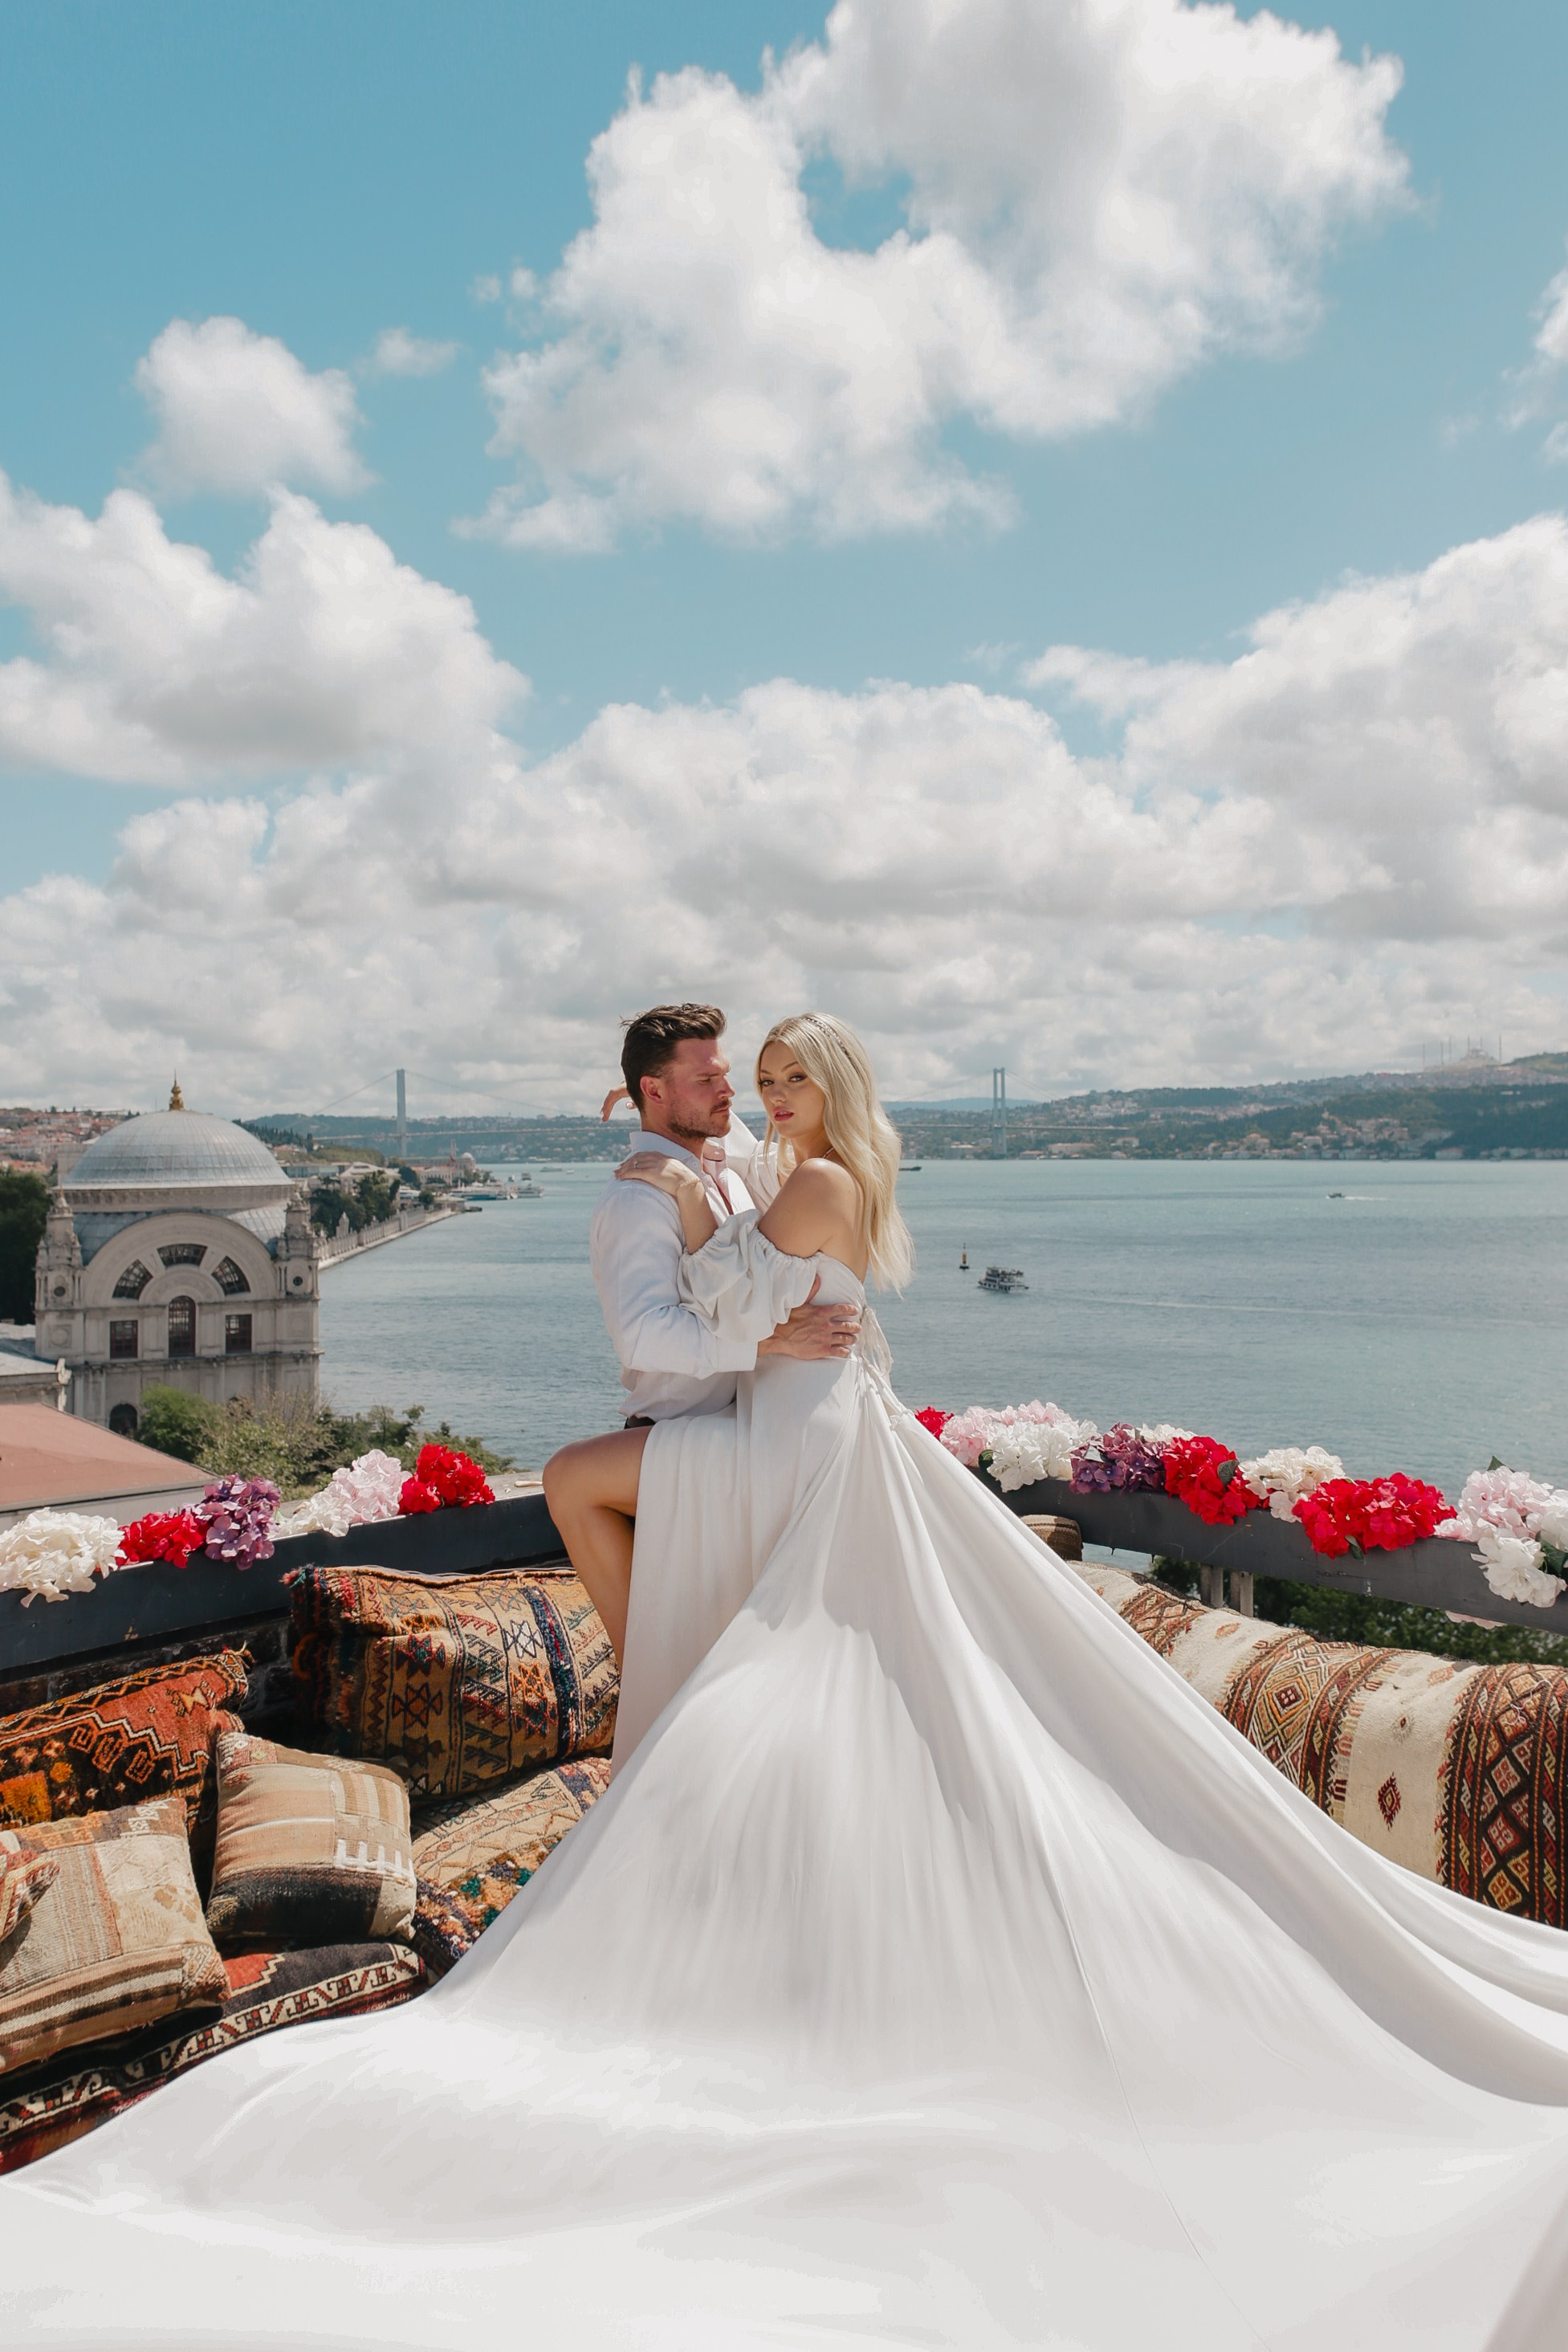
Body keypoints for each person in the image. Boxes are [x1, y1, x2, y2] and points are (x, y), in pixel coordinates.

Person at [11, 1017, 1568, 2350]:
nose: (754, 1096)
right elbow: (738, 1310)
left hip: (793, 1435)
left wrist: (733, 1258)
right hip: (800, 1422)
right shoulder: (784, 1171)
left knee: (736, 1629)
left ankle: (673, 1724)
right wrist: (724, 1239)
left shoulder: (798, 1176)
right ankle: (682, 1723)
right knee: (786, 1653)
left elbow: (721, 1311)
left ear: (823, 1086)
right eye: (736, 1077)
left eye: (774, 1077)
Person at [549, 1001, 861, 1664]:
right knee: (675, 1654)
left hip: (747, 1432)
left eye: (725, 1075)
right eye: (706, 1080)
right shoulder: (638, 1199)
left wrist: (652, 1097)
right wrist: (769, 1343)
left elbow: (751, 1137)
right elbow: (644, 1336)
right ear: (656, 1090)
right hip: (678, 1435)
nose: (729, 1091)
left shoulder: (731, 1176)